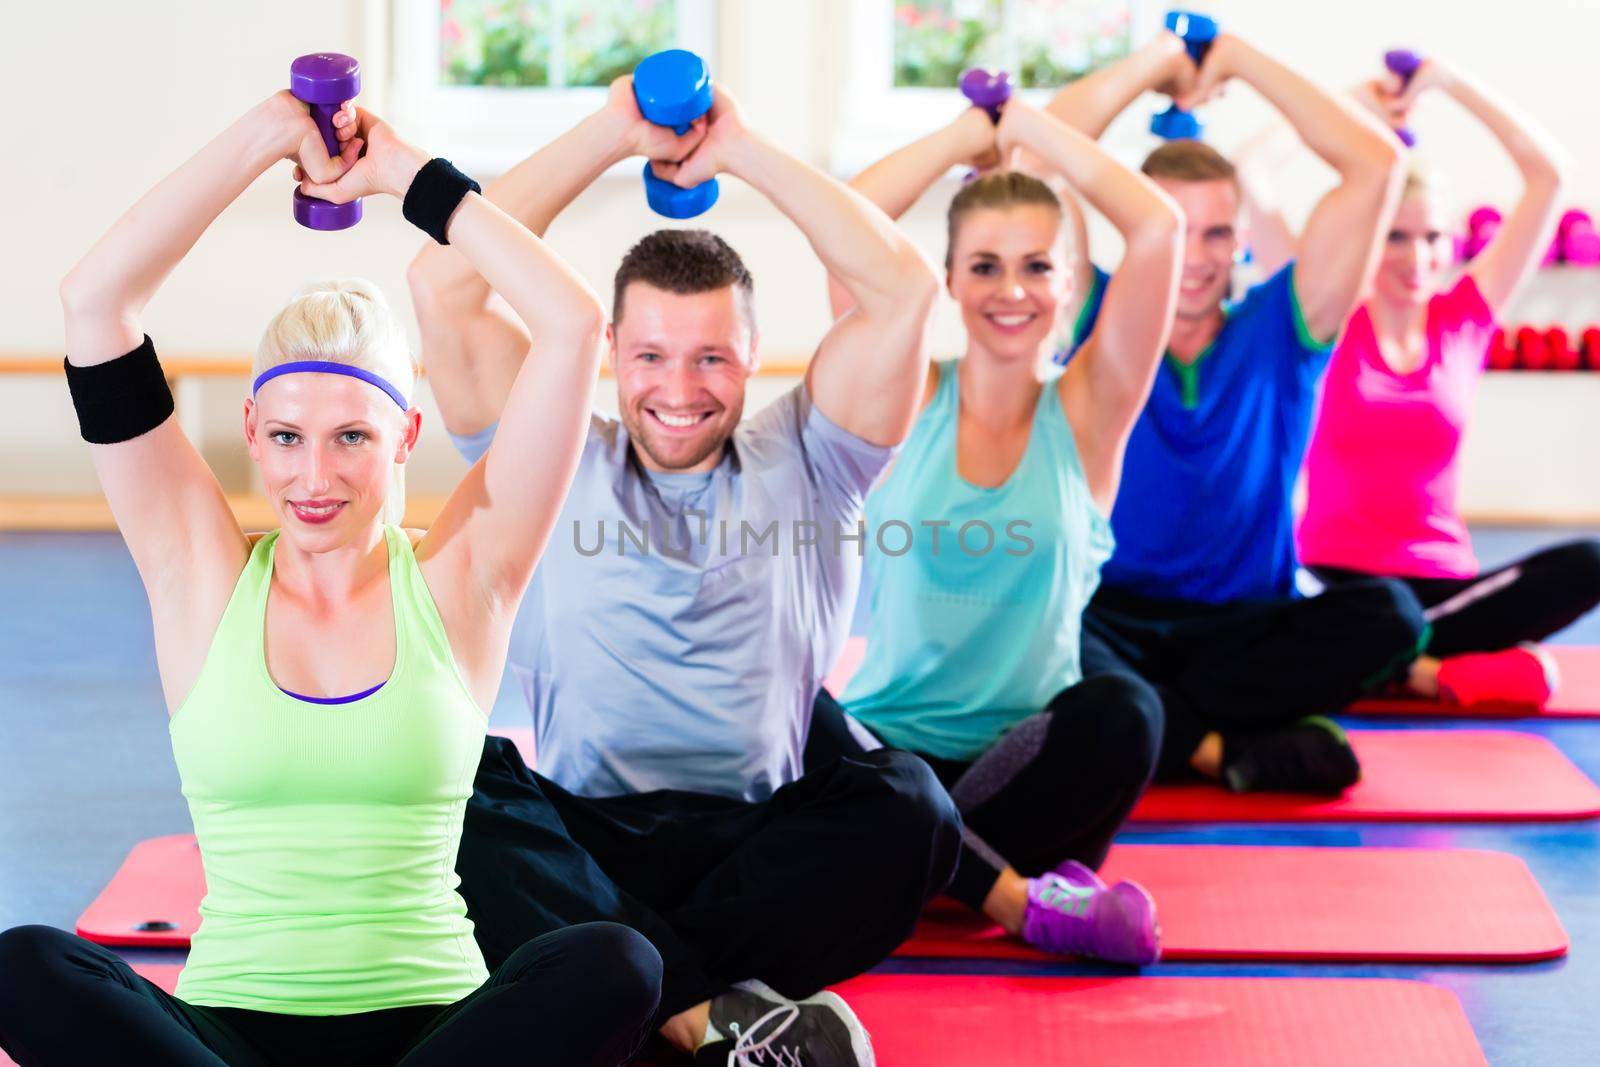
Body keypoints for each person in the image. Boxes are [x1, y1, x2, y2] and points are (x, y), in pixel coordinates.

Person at [0, 90, 662, 1066]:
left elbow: (569, 325)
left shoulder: (462, 576)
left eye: (352, 435)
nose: (315, 476)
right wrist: (264, 135)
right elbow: (95, 300)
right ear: (256, 442)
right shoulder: (200, 575)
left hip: (433, 1034)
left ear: (405, 435)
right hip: (228, 1036)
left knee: (618, 962)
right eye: (287, 438)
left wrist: (403, 172)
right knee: (24, 962)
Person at [408, 77, 960, 1065]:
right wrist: (609, 133)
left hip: (754, 848)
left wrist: (739, 149)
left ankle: (633, 986)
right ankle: (712, 1019)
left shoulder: (816, 456)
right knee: (444, 775)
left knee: (913, 810)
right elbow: (443, 285)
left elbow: (903, 289)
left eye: (711, 357)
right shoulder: (554, 451)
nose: (678, 386)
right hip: (586, 839)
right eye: (652, 354)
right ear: (610, 351)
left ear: (754, 358)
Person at [803, 88, 1183, 964]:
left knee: (1127, 707)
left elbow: (1157, 229)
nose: (1011, 290)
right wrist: (969, 134)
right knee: (791, 696)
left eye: (1037, 266)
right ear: (946, 280)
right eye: (984, 265)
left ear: (1073, 283)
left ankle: (924, 862)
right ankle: (1004, 893)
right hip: (890, 753)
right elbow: (848, 221)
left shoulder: (1092, 412)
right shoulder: (908, 395)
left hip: (1036, 769)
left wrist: (1036, 129)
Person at [1049, 30, 1433, 794]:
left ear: (1241, 239)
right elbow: (1042, 145)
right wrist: (1158, 62)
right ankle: (1221, 749)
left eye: (1218, 232)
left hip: (1246, 628)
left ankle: (1162, 731)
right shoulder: (1095, 311)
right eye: (1175, 230)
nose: (1196, 256)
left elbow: (1377, 165)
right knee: (1031, 621)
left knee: (1392, 614)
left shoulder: (1285, 326)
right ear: (1138, 231)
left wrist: (1233, 57)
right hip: (1108, 621)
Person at [1255, 58, 1599, 709]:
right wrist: (1345, 106)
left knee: (1588, 561)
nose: (1418, 257)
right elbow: (1251, 179)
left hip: (1445, 587)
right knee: (1303, 600)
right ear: (1367, 239)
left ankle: (1387, 661)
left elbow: (1550, 176)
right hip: (1335, 581)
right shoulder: (1326, 314)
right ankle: (1425, 671)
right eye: (1396, 237)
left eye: (1433, 237)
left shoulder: (1467, 316)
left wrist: (1449, 83)